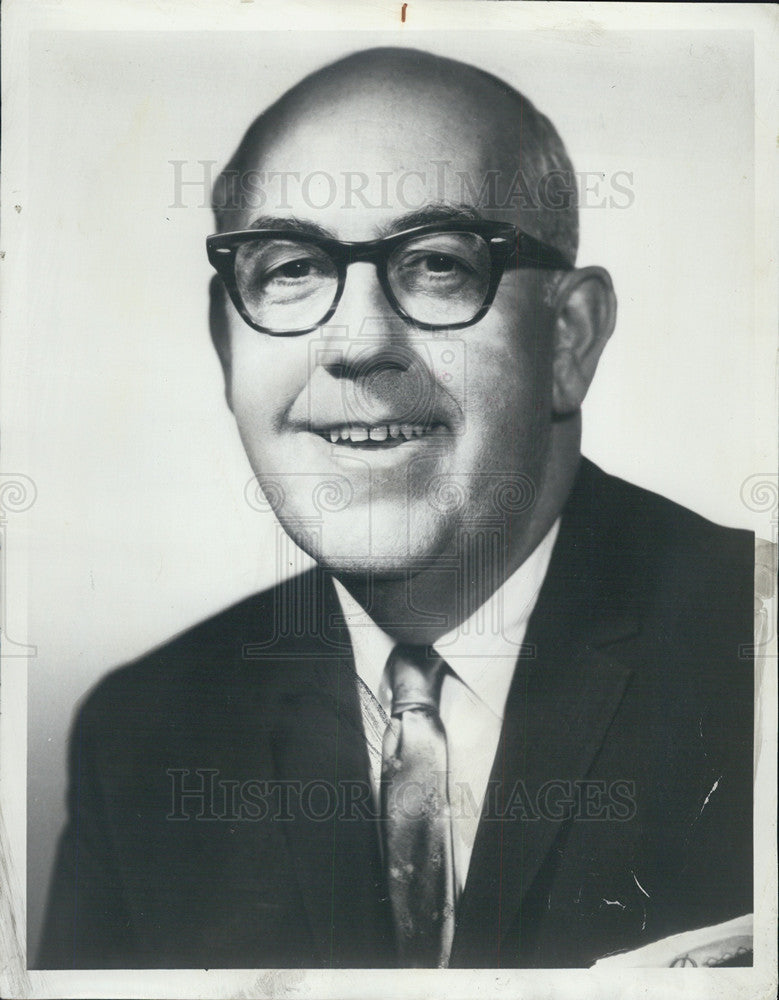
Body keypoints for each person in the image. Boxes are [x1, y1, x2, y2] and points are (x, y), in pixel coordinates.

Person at [37, 47, 753, 970]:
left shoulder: (754, 651)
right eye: (291, 267)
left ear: (568, 339)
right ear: (226, 344)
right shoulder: (142, 733)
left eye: (438, 265)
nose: (360, 343)